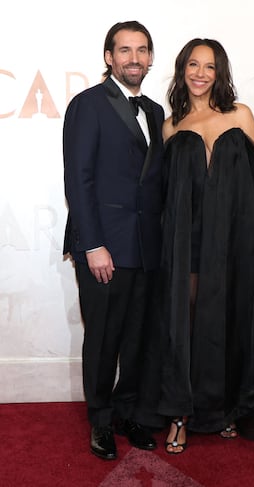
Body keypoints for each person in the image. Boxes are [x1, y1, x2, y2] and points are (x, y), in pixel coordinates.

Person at [135, 38, 254, 453]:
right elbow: (163, 192)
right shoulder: (171, 125)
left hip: (235, 238)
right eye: (193, 65)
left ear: (221, 74)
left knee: (229, 321)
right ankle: (180, 415)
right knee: (186, 325)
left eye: (210, 67)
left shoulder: (241, 115)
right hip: (186, 243)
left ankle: (224, 408)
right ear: (182, 70)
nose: (200, 73)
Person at [63, 21, 164, 460]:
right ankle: (101, 421)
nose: (134, 59)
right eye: (124, 50)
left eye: (142, 51)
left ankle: (129, 412)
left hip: (145, 246)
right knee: (104, 338)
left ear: (151, 58)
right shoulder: (88, 105)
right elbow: (79, 181)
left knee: (139, 337)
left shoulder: (156, 112)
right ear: (109, 57)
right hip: (104, 246)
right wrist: (92, 244)